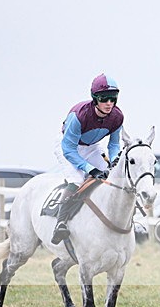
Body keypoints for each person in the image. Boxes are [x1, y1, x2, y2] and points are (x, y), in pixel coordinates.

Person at [51, 73, 124, 244]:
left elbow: (114, 145)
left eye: (113, 98)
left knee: (111, 176)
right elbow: (68, 149)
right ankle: (60, 223)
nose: (109, 103)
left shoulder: (117, 117)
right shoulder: (79, 116)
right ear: (95, 98)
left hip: (91, 147)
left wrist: (114, 161)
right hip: (68, 146)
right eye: (104, 98)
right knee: (77, 180)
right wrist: (90, 169)